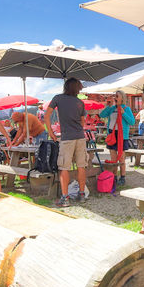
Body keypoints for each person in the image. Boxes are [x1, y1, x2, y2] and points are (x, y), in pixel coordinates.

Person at [46, 78, 87, 207]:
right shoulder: (80, 102)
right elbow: (82, 123)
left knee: (64, 167)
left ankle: (65, 198)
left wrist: (51, 133)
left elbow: (46, 115)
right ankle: (81, 195)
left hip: (67, 137)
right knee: (81, 166)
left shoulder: (58, 98)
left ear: (66, 86)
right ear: (76, 88)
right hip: (80, 136)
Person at [99, 91, 135, 186]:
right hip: (112, 134)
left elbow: (132, 122)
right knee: (113, 158)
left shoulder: (126, 109)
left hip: (122, 135)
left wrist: (123, 113)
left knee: (121, 158)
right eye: (115, 96)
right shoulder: (112, 108)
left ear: (122, 98)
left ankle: (122, 177)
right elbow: (102, 115)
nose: (115, 97)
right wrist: (108, 106)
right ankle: (114, 177)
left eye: (117, 96)